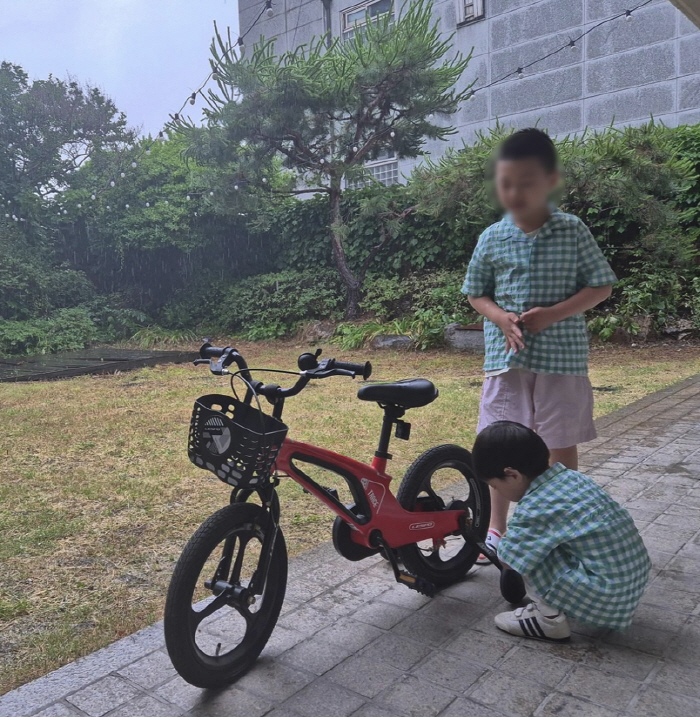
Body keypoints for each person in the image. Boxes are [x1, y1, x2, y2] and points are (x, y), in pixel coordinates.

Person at [462, 128, 617, 562]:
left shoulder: (572, 230)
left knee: (560, 442)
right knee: (499, 442)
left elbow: (601, 286)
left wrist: (552, 314)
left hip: (561, 359)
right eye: (506, 183)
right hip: (505, 359)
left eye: (526, 182)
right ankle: (496, 530)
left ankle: (560, 528)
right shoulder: (492, 236)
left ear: (550, 181)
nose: (514, 192)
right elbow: (476, 292)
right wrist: (498, 316)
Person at [472, 421, 651, 640]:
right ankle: (570, 599)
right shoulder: (571, 478)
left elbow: (510, 560)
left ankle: (548, 621)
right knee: (538, 544)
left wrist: (509, 544)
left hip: (609, 598)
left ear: (512, 475)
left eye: (495, 486)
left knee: (520, 552)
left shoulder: (535, 506)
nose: (497, 491)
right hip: (630, 581)